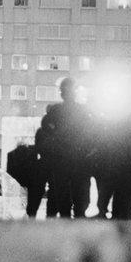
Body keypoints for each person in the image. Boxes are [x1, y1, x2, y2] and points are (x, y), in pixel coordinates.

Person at [42, 78, 92, 218]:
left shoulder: (57, 111)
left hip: (63, 159)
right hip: (78, 159)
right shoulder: (82, 111)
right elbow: (91, 132)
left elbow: (46, 126)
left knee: (63, 197)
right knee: (79, 198)